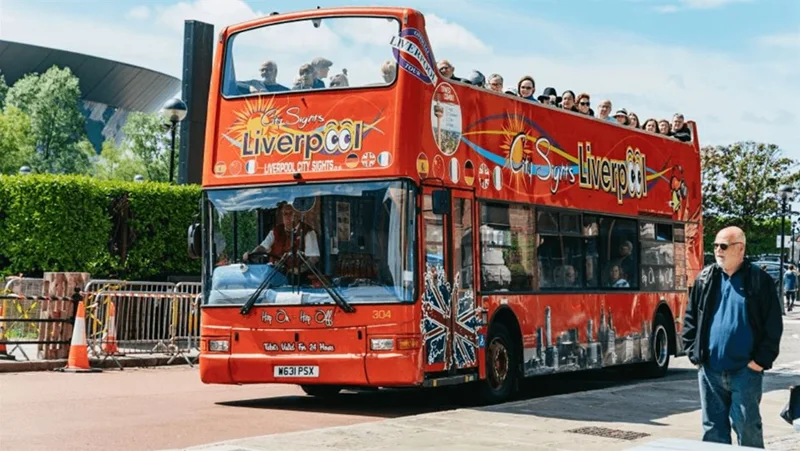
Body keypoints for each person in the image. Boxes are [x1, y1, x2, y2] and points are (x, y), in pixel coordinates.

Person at [682, 226, 782, 448]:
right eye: (716, 245)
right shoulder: (706, 279)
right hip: (710, 371)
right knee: (713, 430)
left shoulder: (759, 280)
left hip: (745, 372)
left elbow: (773, 325)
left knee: (747, 427)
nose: (718, 250)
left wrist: (759, 362)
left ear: (740, 248)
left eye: (724, 246)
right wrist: (694, 353)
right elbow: (690, 318)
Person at [243, 203, 320, 269]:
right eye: (285, 214)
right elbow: (263, 247)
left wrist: (299, 270)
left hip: (298, 280)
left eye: (290, 214)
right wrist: (252, 254)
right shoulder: (276, 231)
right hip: (274, 274)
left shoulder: (308, 232)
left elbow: (313, 258)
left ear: (297, 215)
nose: (287, 217)